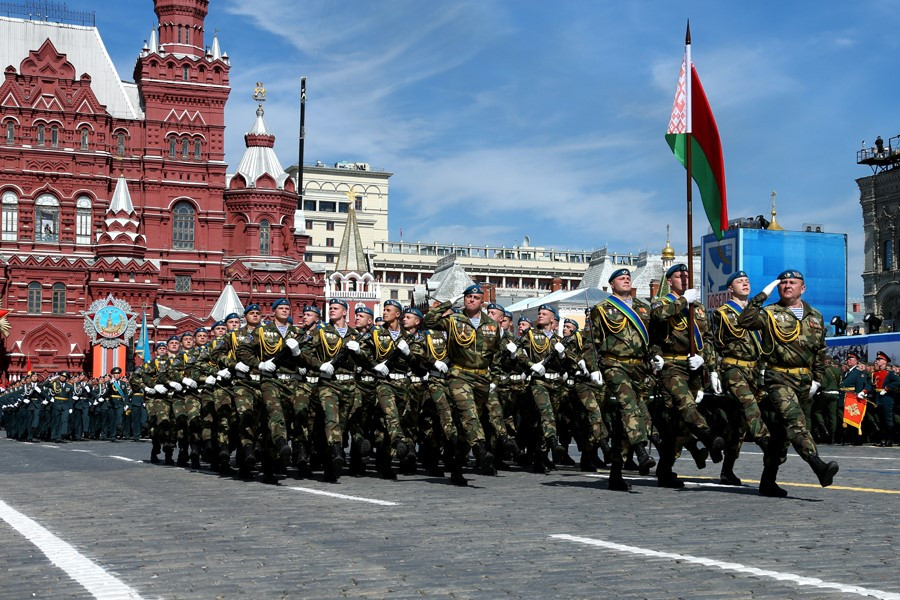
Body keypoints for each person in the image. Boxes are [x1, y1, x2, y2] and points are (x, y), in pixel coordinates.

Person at [738, 269, 840, 497]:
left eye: (792, 282)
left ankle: (767, 481)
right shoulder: (769, 313)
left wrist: (817, 379)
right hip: (779, 377)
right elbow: (744, 320)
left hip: (804, 380)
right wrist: (762, 295)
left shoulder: (815, 315)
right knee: (796, 422)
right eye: (783, 283)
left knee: (782, 434)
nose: (786, 286)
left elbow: (820, 351)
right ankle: (818, 466)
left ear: (802, 288)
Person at [650, 263, 723, 488]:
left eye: (687, 275)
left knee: (679, 423)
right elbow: (658, 315)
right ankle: (708, 437)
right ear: (670, 281)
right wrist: (683, 302)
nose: (684, 278)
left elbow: (708, 338)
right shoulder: (663, 302)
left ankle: (665, 470)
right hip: (671, 365)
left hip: (693, 367)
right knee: (685, 405)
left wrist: (708, 363)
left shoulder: (698, 308)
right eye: (679, 276)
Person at [425, 284, 501, 476]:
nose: (471, 300)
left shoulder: (492, 325)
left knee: (466, 423)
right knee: (469, 414)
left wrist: (494, 378)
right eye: (468, 297)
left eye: (475, 297)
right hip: (459, 374)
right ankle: (481, 450)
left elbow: (496, 354)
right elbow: (429, 321)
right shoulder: (454, 319)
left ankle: (456, 464)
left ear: (482, 301)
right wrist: (450, 302)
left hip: (482, 377)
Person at [590, 268, 655, 490]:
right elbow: (592, 340)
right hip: (614, 364)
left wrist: (656, 358)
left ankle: (615, 473)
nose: (626, 280)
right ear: (611, 285)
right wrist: (592, 368)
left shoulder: (643, 307)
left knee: (622, 420)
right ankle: (641, 451)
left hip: (639, 368)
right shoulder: (602, 309)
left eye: (628, 278)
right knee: (629, 406)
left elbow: (652, 338)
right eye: (621, 278)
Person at [711, 270, 771, 485]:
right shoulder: (723, 313)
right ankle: (765, 441)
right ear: (730, 288)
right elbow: (716, 343)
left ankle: (727, 469)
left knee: (739, 425)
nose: (745, 283)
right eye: (740, 281)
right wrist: (713, 370)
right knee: (748, 404)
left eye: (747, 280)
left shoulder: (759, 313)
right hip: (733, 367)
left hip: (754, 370)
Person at [870, 351, 899, 446]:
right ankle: (882, 440)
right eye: (877, 359)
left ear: (884, 361)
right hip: (878, 398)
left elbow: (898, 382)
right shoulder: (876, 373)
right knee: (880, 420)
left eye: (879, 359)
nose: (877, 361)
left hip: (886, 398)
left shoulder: (889, 373)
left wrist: (887, 388)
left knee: (888, 420)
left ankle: (889, 440)